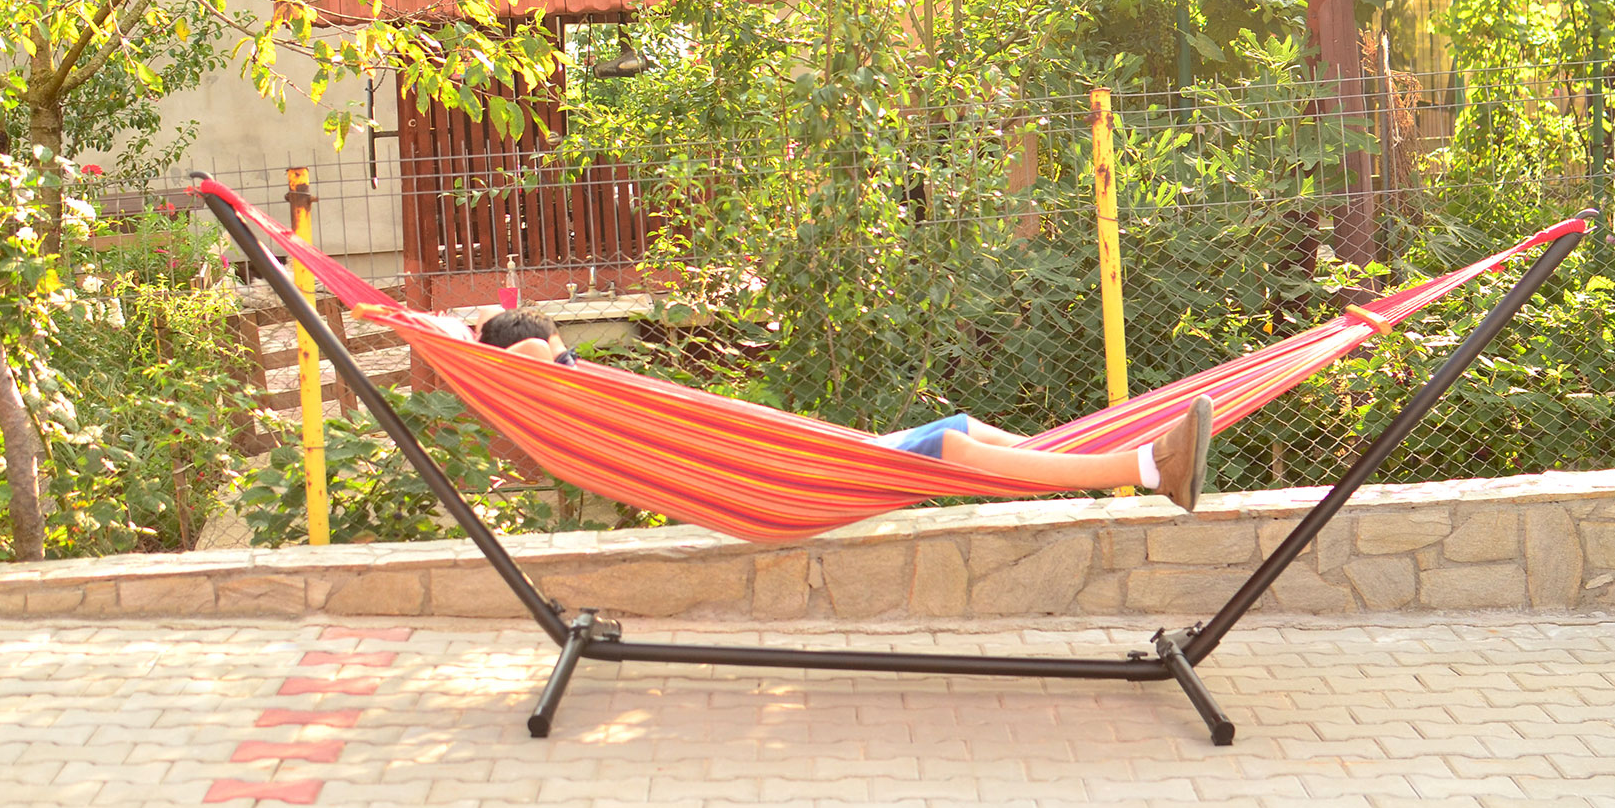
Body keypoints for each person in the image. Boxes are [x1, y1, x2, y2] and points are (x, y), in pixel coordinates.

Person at [476, 308, 1213, 511]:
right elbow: (533, 359)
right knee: (941, 451)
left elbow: (535, 358)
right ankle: (1147, 467)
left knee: (953, 428)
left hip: (792, 464)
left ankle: (1102, 459)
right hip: (778, 483)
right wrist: (482, 339)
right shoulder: (556, 384)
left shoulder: (572, 399)